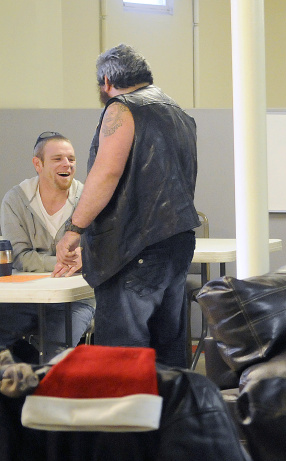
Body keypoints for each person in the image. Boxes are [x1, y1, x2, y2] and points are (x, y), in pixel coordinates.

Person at [53, 44, 199, 368]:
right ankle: (170, 419)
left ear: (106, 81)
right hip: (177, 242)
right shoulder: (177, 112)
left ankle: (126, 419)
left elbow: (106, 173)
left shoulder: (122, 108)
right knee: (169, 356)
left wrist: (73, 229)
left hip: (133, 250)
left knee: (121, 362)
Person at [0, 132, 95, 359]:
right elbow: (19, 256)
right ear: (38, 164)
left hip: (77, 298)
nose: (67, 165)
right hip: (27, 297)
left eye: (71, 159)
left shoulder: (89, 198)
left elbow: (101, 250)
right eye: (58, 159)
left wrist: (89, 257)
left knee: (55, 351)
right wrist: (68, 261)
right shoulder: (16, 199)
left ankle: (47, 387)